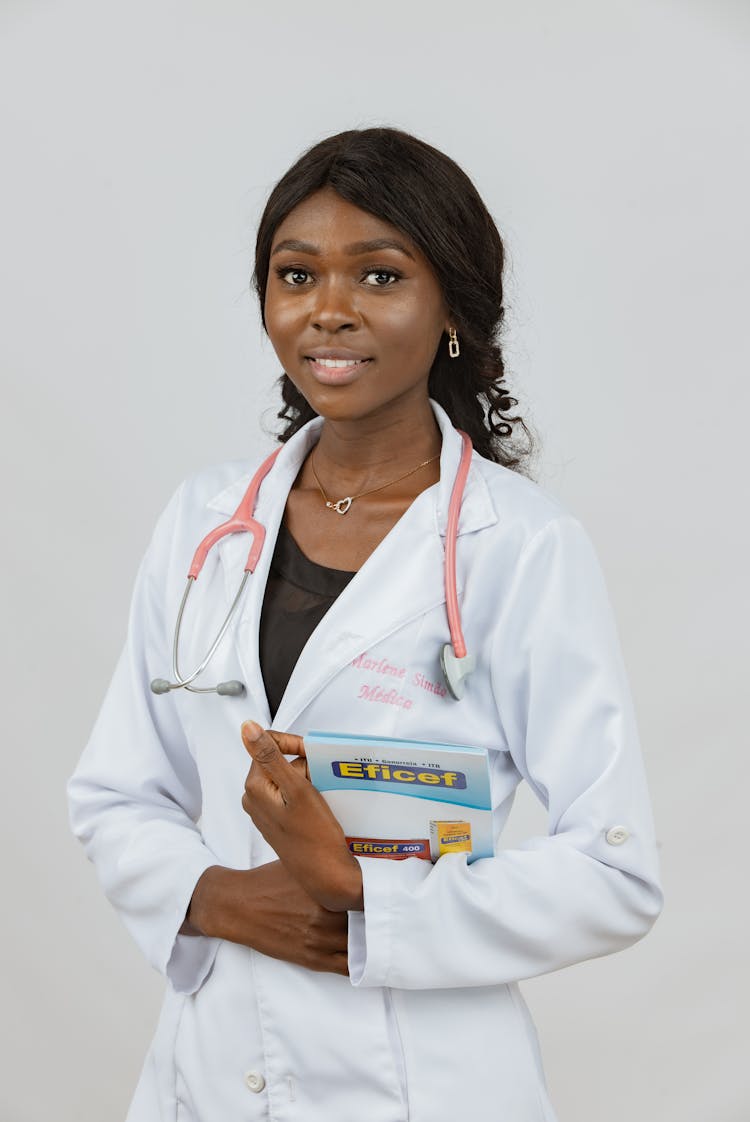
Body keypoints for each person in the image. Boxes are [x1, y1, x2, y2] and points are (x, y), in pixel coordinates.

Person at [68, 127, 663, 1122]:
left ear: (455, 314)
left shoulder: (517, 547)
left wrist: (369, 905)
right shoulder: (205, 525)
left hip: (422, 1083)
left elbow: (615, 870)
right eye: (295, 275)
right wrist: (221, 899)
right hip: (209, 1074)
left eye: (380, 277)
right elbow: (116, 793)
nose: (329, 311)